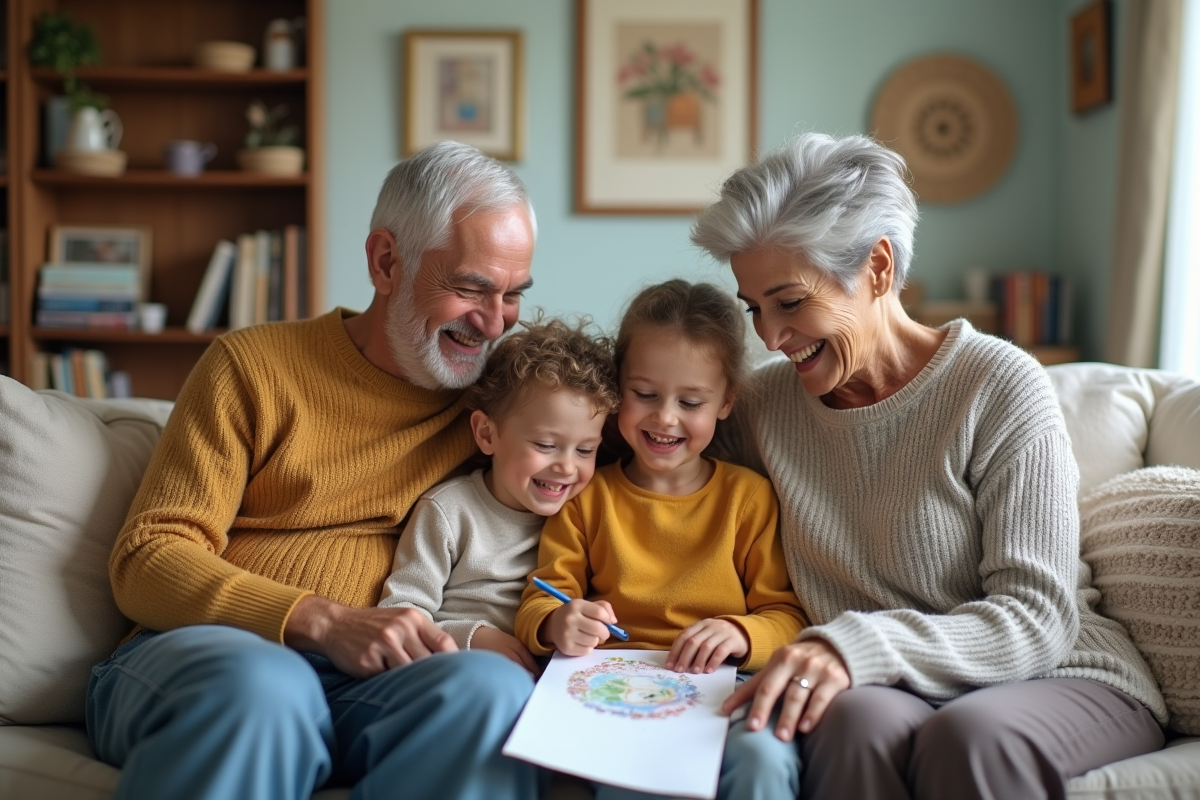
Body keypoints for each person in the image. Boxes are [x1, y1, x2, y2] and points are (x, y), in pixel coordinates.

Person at [690, 132, 1167, 799]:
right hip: (879, 683)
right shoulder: (764, 404)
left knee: (969, 737)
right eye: (755, 309)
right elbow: (644, 462)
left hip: (1058, 673)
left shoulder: (996, 384)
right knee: (849, 722)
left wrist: (851, 646)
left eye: (791, 303)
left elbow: (1038, 617)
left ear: (878, 268)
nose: (768, 338)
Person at [86, 141, 543, 800]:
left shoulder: (505, 402)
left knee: (490, 690)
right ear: (386, 262)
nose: (494, 322)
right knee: (269, 687)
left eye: (513, 295)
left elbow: (656, 419)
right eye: (471, 288)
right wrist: (321, 621)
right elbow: (148, 557)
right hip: (211, 659)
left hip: (379, 685)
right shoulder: (254, 366)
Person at [515, 279, 808, 800]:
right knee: (628, 777)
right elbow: (542, 595)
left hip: (721, 691)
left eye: (690, 401)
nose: (665, 417)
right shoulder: (587, 495)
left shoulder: (749, 499)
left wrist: (742, 634)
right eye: (645, 394)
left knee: (764, 758)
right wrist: (559, 620)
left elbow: (787, 617)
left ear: (725, 402)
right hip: (609, 691)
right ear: (617, 388)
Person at [378, 316, 620, 674]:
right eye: (546, 445)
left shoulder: (583, 514)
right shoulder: (449, 511)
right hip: (462, 671)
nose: (567, 467)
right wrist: (475, 638)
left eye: (585, 451)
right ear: (487, 434)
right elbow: (401, 614)